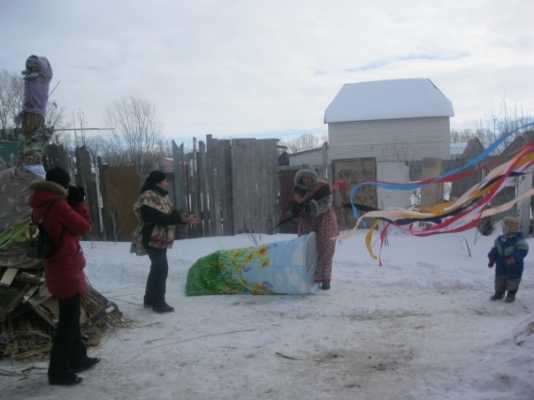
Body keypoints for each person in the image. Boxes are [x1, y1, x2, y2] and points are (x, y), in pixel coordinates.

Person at [28, 166, 100, 385]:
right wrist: (79, 203)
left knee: (71, 316)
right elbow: (83, 226)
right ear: (60, 185)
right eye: (67, 184)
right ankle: (58, 371)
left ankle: (78, 359)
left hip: (56, 266)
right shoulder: (58, 205)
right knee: (68, 323)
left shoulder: (40, 203)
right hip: (67, 267)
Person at [131, 170, 201, 313]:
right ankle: (159, 303)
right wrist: (178, 219)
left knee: (157, 268)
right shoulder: (148, 197)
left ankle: (149, 299)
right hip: (151, 236)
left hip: (160, 237)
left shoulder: (162, 195)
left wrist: (185, 218)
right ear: (157, 183)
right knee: (161, 268)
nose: (166, 183)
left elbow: (171, 213)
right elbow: (157, 217)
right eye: (164, 181)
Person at [291, 164, 338, 290]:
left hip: (325, 218)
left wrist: (313, 207)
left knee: (326, 246)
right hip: (307, 220)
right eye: (303, 178)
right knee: (307, 248)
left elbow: (327, 202)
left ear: (313, 177)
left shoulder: (323, 187)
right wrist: (297, 210)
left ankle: (324, 279)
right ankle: (309, 279)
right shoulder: (297, 191)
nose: (306, 180)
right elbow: (296, 206)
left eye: (308, 177)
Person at [487, 217, 529, 303]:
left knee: (513, 281)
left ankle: (511, 294)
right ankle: (499, 293)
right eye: (502, 228)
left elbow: (522, 251)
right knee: (499, 280)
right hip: (500, 265)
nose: (502, 229)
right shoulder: (499, 239)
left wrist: (512, 258)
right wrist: (492, 258)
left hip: (514, 266)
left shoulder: (518, 240)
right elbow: (495, 249)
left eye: (505, 228)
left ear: (511, 229)